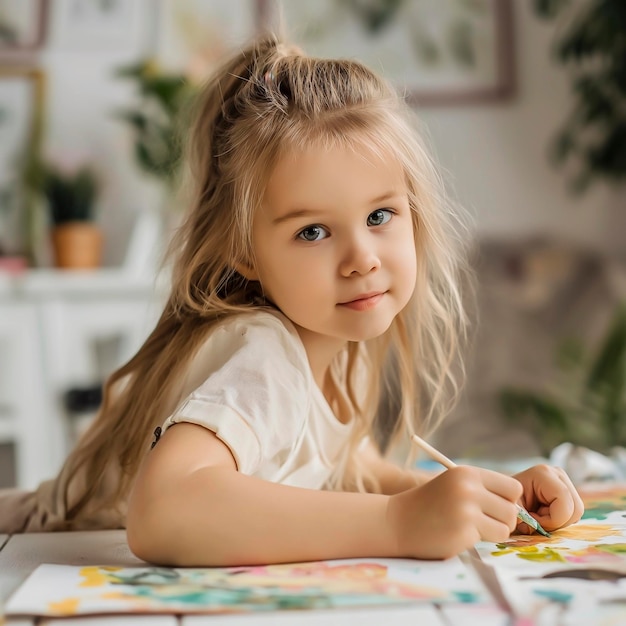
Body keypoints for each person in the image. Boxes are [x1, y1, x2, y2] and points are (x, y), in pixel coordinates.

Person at [0, 34, 584, 564]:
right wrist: (400, 522)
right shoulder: (267, 352)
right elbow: (164, 512)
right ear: (244, 252)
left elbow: (341, 466)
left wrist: (485, 500)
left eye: (380, 215)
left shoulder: (340, 343)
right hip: (34, 546)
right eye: (313, 231)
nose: (362, 258)